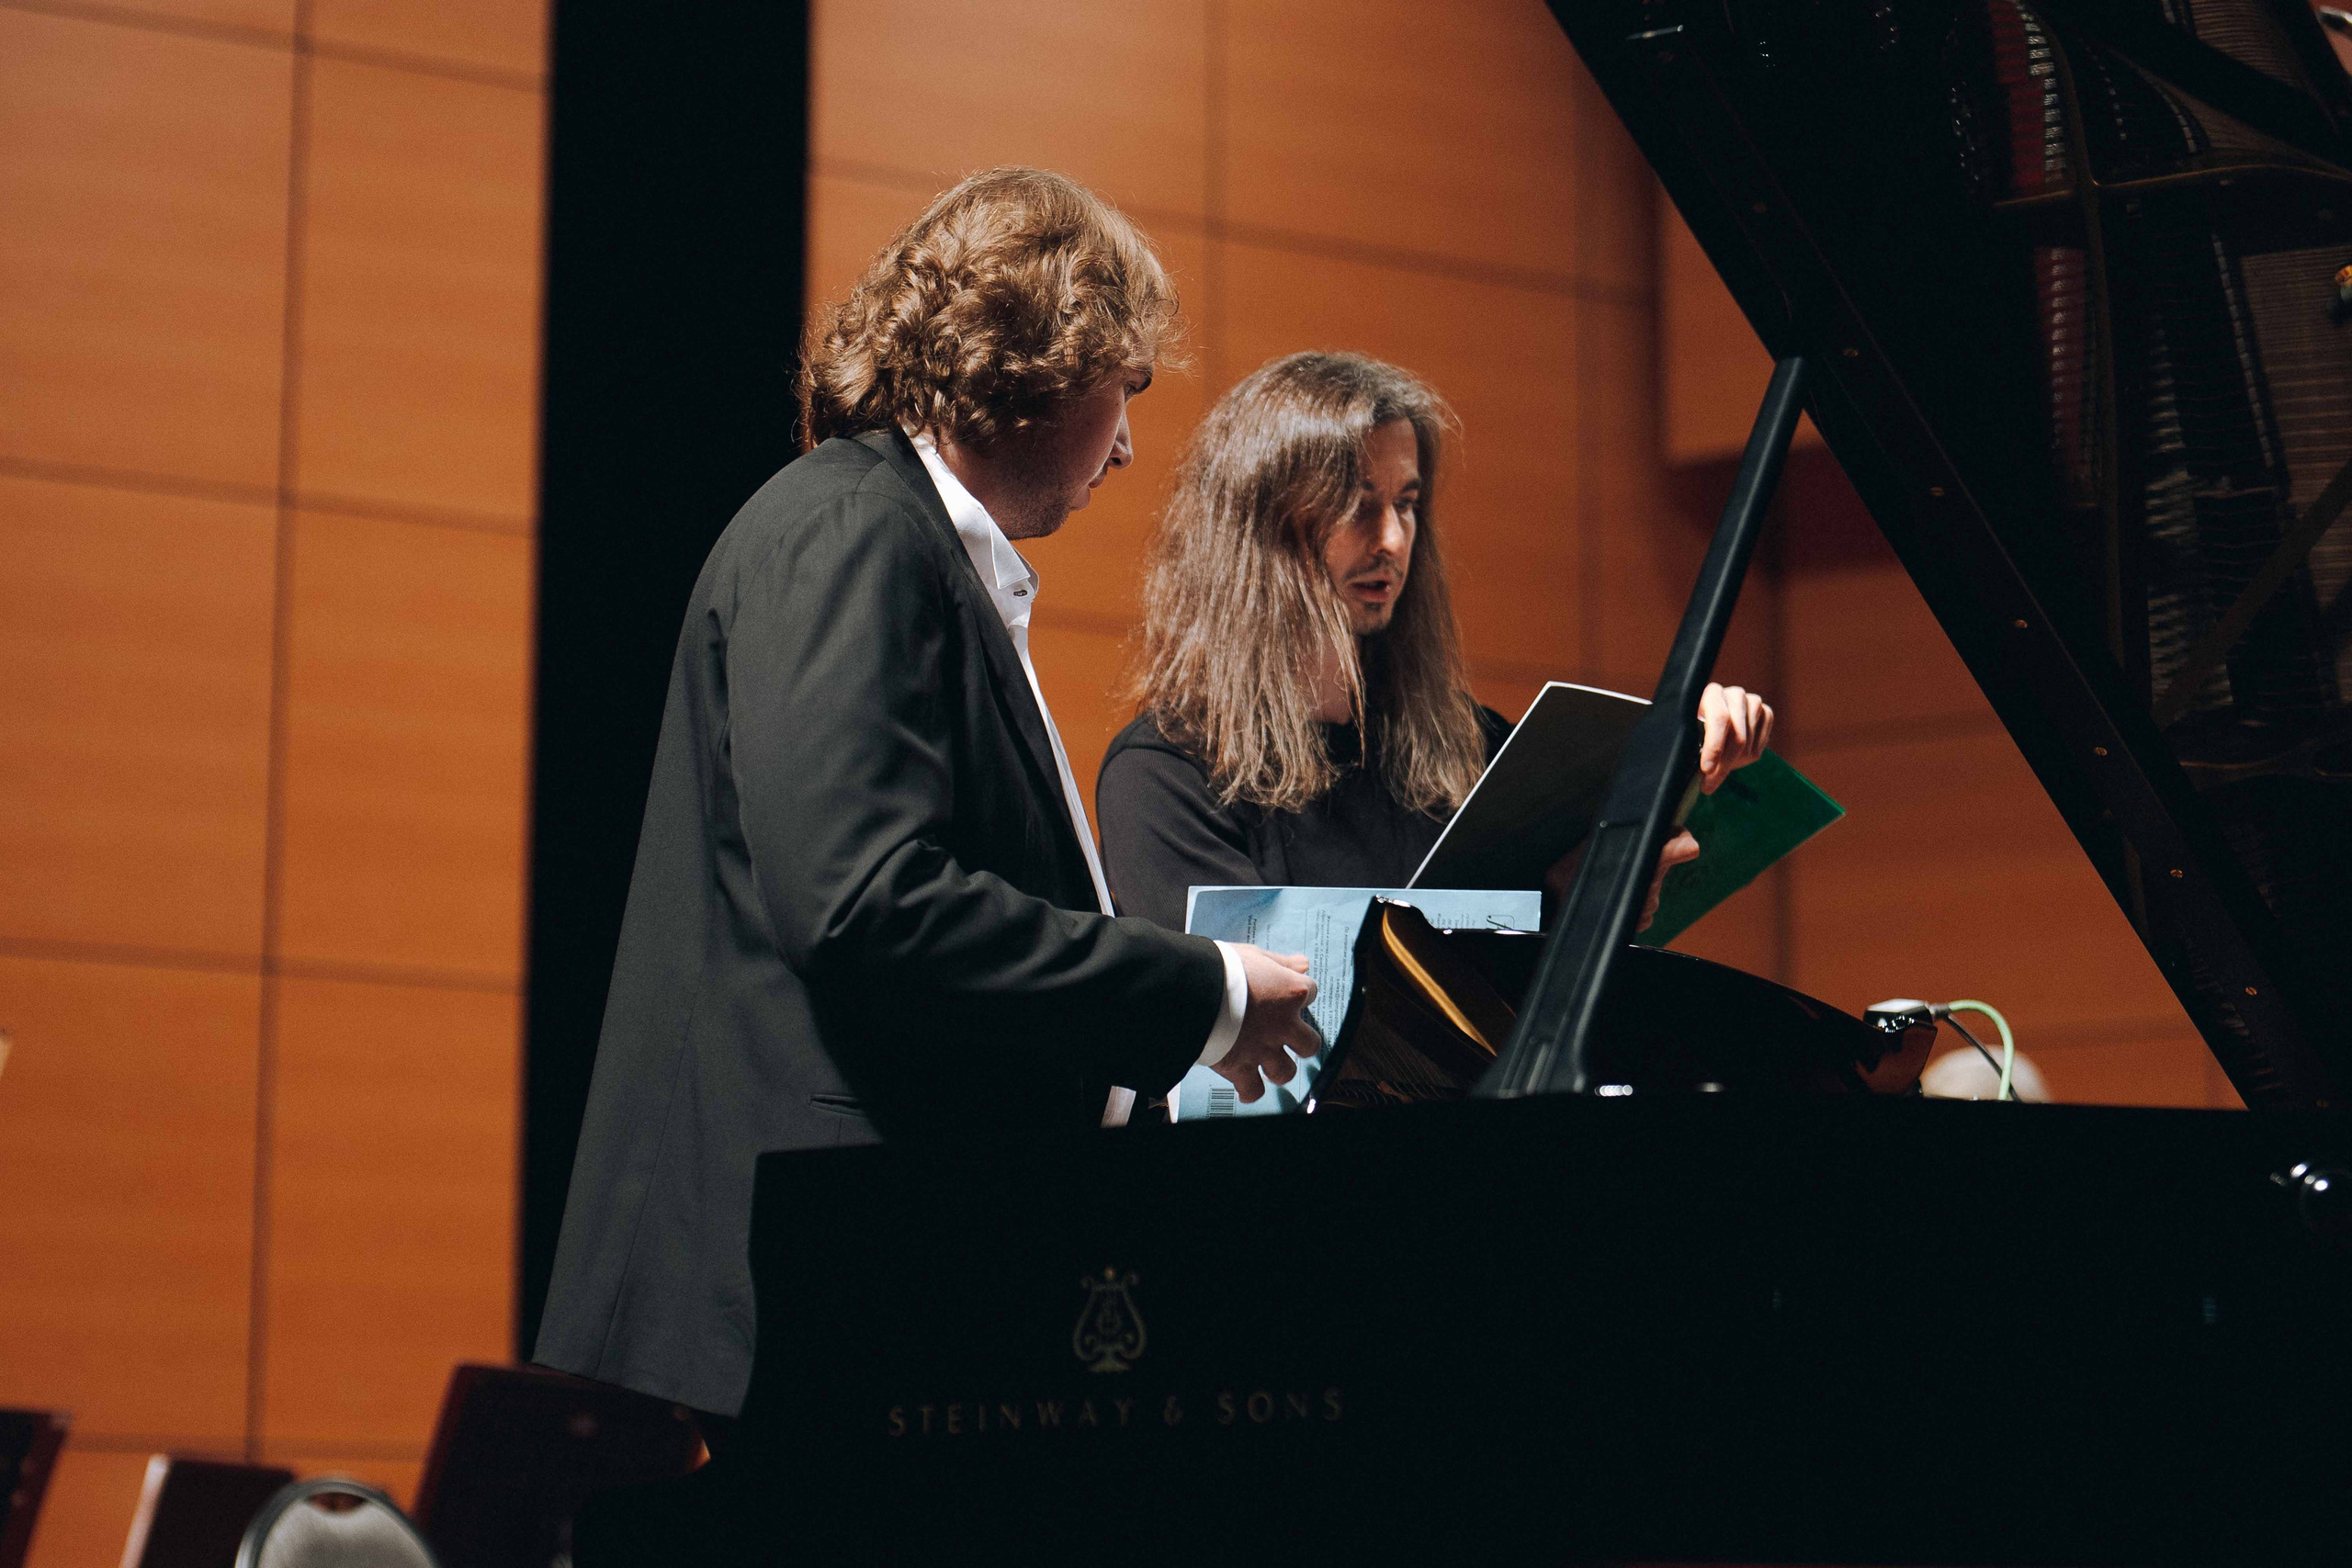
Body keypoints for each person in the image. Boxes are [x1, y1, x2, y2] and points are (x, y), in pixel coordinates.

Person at [534, 169, 1322, 1425]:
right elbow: (860, 902)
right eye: (1125, 388)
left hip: (843, 1277)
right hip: (792, 1297)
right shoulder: (856, 533)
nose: (1126, 441)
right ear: (1041, 362)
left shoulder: (888, 537)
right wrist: (1201, 988)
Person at [1097, 350, 1773, 939]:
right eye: (1358, 503)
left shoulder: (1473, 751)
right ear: (1263, 526)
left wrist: (1685, 749)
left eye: (1407, 504)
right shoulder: (1162, 776)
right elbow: (1239, 1036)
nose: (1392, 540)